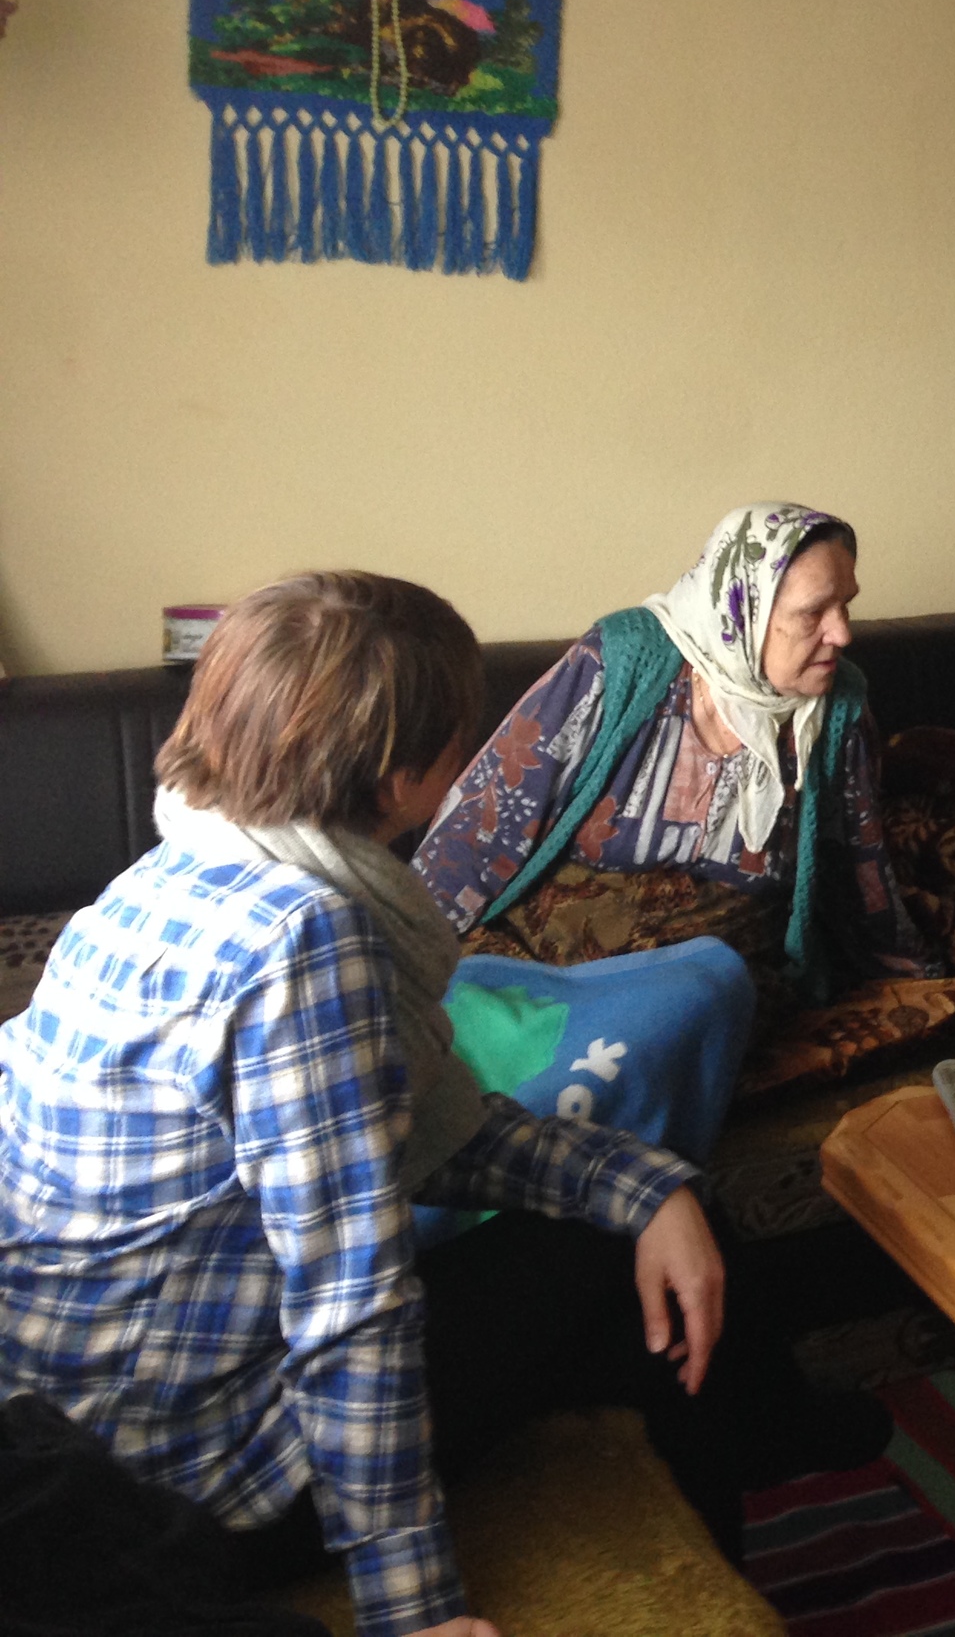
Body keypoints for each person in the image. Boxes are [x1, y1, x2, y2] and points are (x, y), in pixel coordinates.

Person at [0, 572, 876, 1637]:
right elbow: (352, 1309)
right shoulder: (301, 943)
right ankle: (762, 1462)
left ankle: (757, 1435)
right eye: (458, 741)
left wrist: (646, 1187)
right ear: (396, 773)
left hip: (74, 1426)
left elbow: (408, 1133)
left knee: (642, 1250)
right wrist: (411, 1614)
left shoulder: (160, 882)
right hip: (181, 1478)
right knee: (623, 1292)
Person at [415, 500, 955, 1008]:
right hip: (546, 967)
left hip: (703, 990)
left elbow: (858, 872)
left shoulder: (836, 710)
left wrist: (933, 987)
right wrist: (402, 966)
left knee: (703, 1005)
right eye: (814, 612)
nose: (842, 633)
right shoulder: (620, 662)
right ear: (743, 610)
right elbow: (481, 823)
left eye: (848, 604)